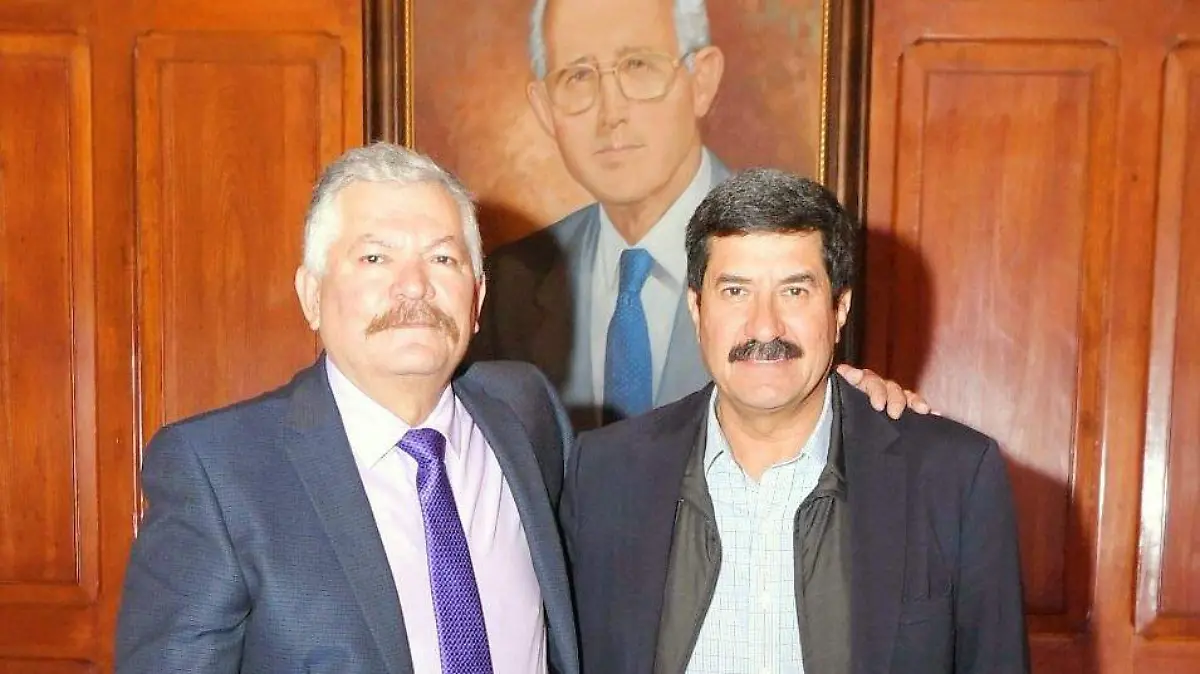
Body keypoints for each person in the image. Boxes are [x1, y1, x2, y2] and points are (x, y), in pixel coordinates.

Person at [115, 143, 579, 674]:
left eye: (442, 259)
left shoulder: (527, 413)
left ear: (476, 299)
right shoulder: (219, 473)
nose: (414, 285)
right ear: (311, 295)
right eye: (375, 257)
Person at [561, 169, 1029, 674]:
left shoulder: (951, 476)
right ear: (696, 308)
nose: (765, 327)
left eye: (794, 292)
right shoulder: (603, 475)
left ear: (839, 308)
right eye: (735, 291)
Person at [471, 0, 922, 429]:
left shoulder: (806, 257)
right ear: (544, 107)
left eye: (638, 66)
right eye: (577, 76)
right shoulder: (509, 284)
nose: (611, 114)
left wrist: (863, 404)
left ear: (702, 79)